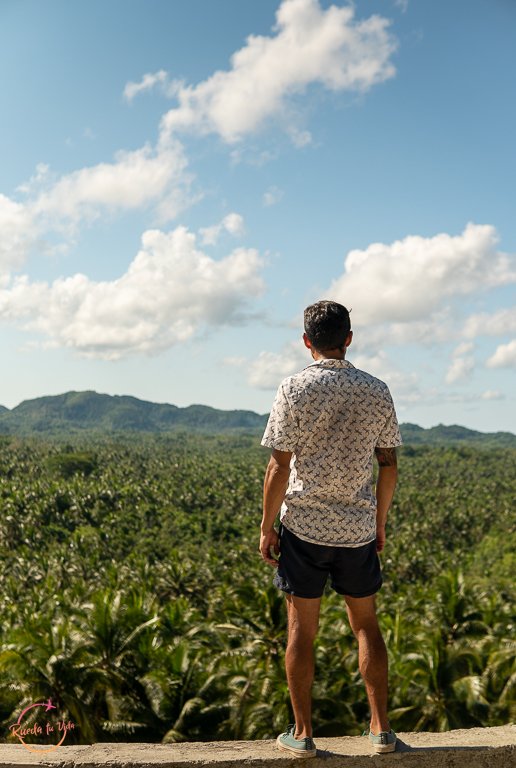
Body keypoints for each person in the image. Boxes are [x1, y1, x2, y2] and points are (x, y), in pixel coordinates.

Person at [259, 300, 402, 758]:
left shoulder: (293, 389)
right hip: (357, 531)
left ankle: (302, 734)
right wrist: (378, 523)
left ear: (307, 341)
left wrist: (266, 527)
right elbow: (388, 465)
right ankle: (380, 729)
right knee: (366, 627)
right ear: (349, 338)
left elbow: (278, 467)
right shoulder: (377, 390)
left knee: (302, 630)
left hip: (303, 529)